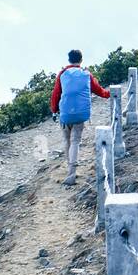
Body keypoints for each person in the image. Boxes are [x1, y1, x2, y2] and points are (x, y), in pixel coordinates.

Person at [49, 49, 111, 185]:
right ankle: (72, 173)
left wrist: (54, 110)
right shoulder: (86, 74)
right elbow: (98, 90)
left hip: (65, 114)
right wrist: (109, 94)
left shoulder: (62, 74)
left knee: (67, 141)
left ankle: (69, 171)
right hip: (81, 113)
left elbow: (56, 94)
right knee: (75, 141)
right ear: (81, 60)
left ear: (69, 60)